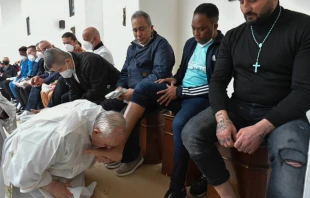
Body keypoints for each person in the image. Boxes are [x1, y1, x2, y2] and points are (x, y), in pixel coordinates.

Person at [181, 0, 310, 198]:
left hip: (285, 113)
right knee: (191, 133)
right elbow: (217, 82)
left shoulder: (303, 27)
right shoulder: (233, 36)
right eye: (241, 1)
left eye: (252, 0)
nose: (245, 8)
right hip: (239, 107)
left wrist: (260, 129)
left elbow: (304, 91)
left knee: (291, 155)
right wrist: (222, 119)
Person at [118, 4, 222, 197]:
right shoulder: (191, 43)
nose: (196, 33)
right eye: (193, 28)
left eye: (202, 29)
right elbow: (184, 70)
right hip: (180, 90)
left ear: (215, 26)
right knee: (143, 88)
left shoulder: (222, 47)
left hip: (200, 97)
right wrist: (174, 80)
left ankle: (177, 188)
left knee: (178, 125)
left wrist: (180, 91)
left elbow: (216, 86)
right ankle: (119, 142)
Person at [101, 10, 175, 176]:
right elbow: (125, 72)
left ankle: (131, 157)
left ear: (151, 27)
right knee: (105, 108)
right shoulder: (131, 48)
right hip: (128, 92)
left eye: (142, 29)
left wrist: (134, 91)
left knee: (122, 115)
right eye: (135, 30)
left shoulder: (161, 45)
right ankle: (110, 148)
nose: (138, 34)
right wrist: (120, 88)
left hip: (153, 95)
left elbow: (160, 74)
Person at [1, 99, 126, 198]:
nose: (107, 149)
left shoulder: (99, 113)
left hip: (52, 151)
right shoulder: (61, 137)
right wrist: (52, 186)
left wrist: (97, 151)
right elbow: (25, 170)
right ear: (96, 131)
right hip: (27, 156)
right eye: (106, 145)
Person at [44, 48, 120, 104]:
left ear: (67, 61)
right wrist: (73, 104)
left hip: (111, 89)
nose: (60, 73)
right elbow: (73, 88)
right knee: (66, 100)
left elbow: (98, 89)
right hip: (90, 89)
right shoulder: (67, 66)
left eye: (60, 70)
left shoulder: (90, 61)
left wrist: (80, 102)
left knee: (93, 109)